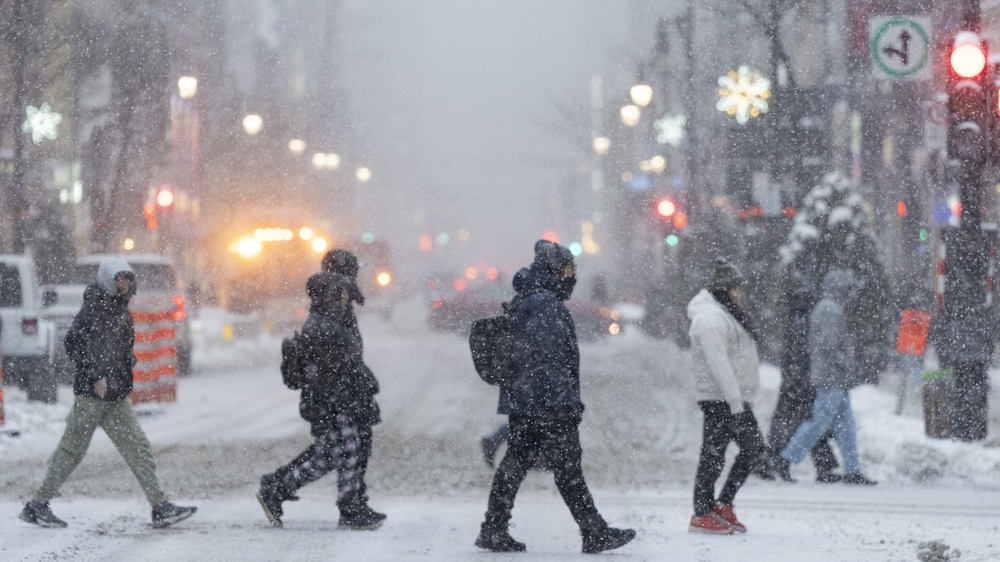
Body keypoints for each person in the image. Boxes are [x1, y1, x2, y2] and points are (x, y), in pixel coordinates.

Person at [475, 240, 635, 554]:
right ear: (553, 270)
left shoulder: (532, 299)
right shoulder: (545, 304)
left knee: (517, 464)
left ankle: (493, 528)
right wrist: (564, 404)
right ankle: (593, 532)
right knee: (566, 469)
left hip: (528, 401)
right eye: (567, 269)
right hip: (546, 404)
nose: (572, 275)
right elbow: (550, 360)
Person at [19, 257, 196, 529]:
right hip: (92, 396)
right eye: (118, 278)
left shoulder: (119, 309)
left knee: (138, 447)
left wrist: (124, 366)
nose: (123, 283)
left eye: (126, 278)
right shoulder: (95, 308)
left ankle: (159, 507)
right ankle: (37, 505)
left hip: (115, 395)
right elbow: (74, 343)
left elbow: (114, 348)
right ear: (106, 280)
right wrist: (95, 376)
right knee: (71, 452)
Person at [257, 272, 385, 529]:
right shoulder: (322, 326)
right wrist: (339, 400)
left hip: (336, 400)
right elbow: (332, 370)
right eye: (341, 292)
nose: (346, 296)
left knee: (328, 455)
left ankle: (278, 489)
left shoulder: (328, 320)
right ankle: (349, 507)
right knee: (349, 448)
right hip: (335, 402)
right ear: (329, 295)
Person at [687, 257, 765, 535]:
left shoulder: (724, 315)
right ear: (723, 290)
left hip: (733, 399)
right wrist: (735, 403)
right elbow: (719, 364)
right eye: (735, 288)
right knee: (715, 455)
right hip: (720, 399)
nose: (740, 293)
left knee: (750, 451)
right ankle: (702, 513)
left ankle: (721, 505)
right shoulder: (710, 319)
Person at [779, 270, 877, 485]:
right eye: (849, 288)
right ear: (840, 287)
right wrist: (846, 363)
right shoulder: (830, 310)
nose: (852, 293)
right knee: (821, 422)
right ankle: (785, 459)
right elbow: (829, 345)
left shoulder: (829, 308)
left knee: (845, 426)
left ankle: (853, 470)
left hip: (834, 377)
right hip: (831, 376)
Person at [320, 249, 382, 506]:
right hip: (341, 390)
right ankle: (352, 502)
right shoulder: (333, 305)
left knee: (344, 447)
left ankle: (356, 499)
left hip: (348, 387)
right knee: (343, 447)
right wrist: (350, 382)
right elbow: (335, 353)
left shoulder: (340, 302)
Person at [766, 289, 840, 483]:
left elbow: (791, 355)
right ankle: (780, 460)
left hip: (793, 382)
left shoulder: (795, 321)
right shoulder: (804, 323)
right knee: (809, 424)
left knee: (799, 424)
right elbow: (804, 355)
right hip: (802, 383)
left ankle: (777, 459)